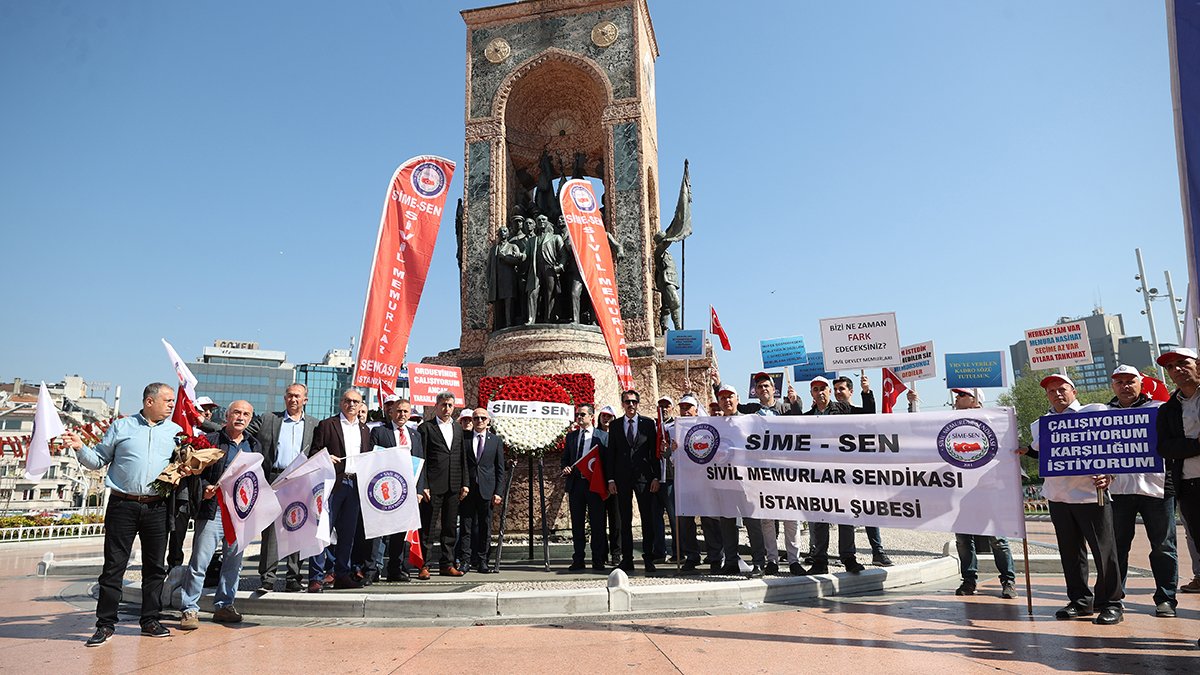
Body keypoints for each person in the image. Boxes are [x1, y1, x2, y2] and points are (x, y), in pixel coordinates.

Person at [62, 383, 181, 646]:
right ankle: (105, 625)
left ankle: (150, 620)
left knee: (154, 569)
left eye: (172, 401)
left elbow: (181, 467)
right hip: (122, 506)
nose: (172, 405)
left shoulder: (176, 432)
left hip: (157, 508)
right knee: (113, 568)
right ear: (150, 402)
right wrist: (80, 447)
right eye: (167, 400)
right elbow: (98, 460)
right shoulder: (121, 427)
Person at [1023, 374, 1123, 624]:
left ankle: (1111, 603)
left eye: (1062, 389)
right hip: (1058, 497)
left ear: (1074, 392)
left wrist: (1109, 473)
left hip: (1092, 495)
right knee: (1070, 553)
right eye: (1051, 391)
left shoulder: (1095, 414)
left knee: (1104, 553)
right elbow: (1038, 453)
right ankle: (1079, 601)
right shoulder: (1040, 424)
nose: (1057, 394)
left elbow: (1115, 447)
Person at [178, 400, 257, 629]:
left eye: (245, 414)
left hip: (239, 515)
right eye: (236, 413)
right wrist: (204, 489)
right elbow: (194, 473)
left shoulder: (254, 445)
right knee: (199, 561)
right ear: (227, 415)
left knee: (233, 563)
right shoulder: (210, 441)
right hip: (213, 511)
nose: (240, 417)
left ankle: (224, 605)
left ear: (250, 419)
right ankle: (189, 609)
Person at [1104, 364, 1175, 616]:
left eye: (1130, 381)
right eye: (1119, 382)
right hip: (1119, 490)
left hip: (1156, 488)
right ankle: (1114, 597)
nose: (1125, 386)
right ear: (1113, 386)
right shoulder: (1103, 414)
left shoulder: (1158, 409)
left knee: (1163, 545)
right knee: (1117, 546)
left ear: (1140, 383)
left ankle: (1165, 598)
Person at [949, 388, 1017, 599]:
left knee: (997, 538)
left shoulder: (993, 420)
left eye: (961, 395)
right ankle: (969, 580)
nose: (956, 398)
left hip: (989, 489)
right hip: (960, 488)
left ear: (975, 399)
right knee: (962, 539)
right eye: (957, 395)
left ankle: (1008, 580)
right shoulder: (947, 422)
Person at [254, 383, 317, 593]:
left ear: (305, 400)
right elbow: (239, 428)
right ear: (285, 398)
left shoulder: (315, 425)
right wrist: (203, 422)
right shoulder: (269, 419)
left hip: (300, 481)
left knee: (296, 528)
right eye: (290, 396)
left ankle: (293, 577)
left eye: (298, 397)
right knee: (271, 531)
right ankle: (268, 578)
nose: (293, 400)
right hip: (273, 478)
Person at [308, 388, 371, 591]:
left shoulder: (364, 430)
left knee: (348, 533)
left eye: (356, 401)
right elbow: (314, 452)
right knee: (323, 531)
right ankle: (316, 577)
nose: (351, 404)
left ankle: (342, 573)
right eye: (348, 400)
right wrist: (326, 457)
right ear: (341, 402)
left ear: (361, 405)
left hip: (355, 485)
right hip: (333, 483)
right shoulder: (327, 425)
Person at [742, 373, 804, 576]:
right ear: (755, 391)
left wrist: (796, 401)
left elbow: (800, 419)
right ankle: (772, 561)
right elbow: (730, 408)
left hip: (787, 471)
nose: (763, 389)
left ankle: (794, 560)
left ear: (773, 388)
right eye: (759, 386)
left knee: (791, 517)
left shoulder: (785, 408)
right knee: (767, 519)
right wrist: (716, 385)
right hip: (763, 472)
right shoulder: (752, 410)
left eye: (766, 385)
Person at [804, 376, 864, 575]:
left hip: (842, 473)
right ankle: (820, 559)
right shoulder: (806, 417)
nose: (820, 392)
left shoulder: (844, 410)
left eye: (823, 388)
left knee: (845, 516)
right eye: (815, 389)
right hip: (817, 475)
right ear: (811, 393)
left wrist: (866, 392)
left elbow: (869, 415)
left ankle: (848, 557)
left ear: (829, 391)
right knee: (819, 518)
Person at [832, 374, 893, 568]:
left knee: (869, 509)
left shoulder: (859, 412)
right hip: (841, 473)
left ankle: (877, 551)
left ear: (851, 391)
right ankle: (848, 555)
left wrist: (866, 391)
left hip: (860, 471)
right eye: (836, 390)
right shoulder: (831, 415)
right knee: (846, 513)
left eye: (842, 389)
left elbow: (869, 412)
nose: (838, 393)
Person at [1155, 349, 1200, 608]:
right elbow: (1165, 447)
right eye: (1171, 367)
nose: (1177, 370)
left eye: (1183, 363)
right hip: (1190, 486)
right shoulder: (1168, 409)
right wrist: (1195, 445)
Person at [368, 396, 428, 581]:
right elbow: (373, 459)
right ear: (391, 412)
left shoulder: (415, 435)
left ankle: (395, 569)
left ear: (410, 414)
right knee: (378, 531)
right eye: (399, 411)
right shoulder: (379, 431)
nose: (402, 414)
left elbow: (420, 463)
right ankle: (371, 570)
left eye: (405, 411)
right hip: (384, 489)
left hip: (406, 491)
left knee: (400, 532)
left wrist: (419, 490)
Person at [602, 389, 661, 574]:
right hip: (622, 479)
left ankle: (648, 558)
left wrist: (656, 477)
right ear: (623, 404)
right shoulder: (616, 425)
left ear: (638, 403)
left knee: (647, 519)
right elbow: (611, 453)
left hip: (644, 478)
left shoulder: (648, 424)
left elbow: (654, 453)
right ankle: (627, 559)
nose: (631, 405)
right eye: (627, 402)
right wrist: (611, 479)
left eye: (634, 402)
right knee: (624, 520)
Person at [713, 383, 767, 577]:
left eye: (730, 397)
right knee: (727, 522)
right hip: (725, 480)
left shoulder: (749, 421)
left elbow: (761, 446)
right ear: (718, 402)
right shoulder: (715, 425)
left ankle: (759, 562)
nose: (727, 400)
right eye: (722, 398)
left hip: (747, 481)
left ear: (737, 399)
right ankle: (731, 560)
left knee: (752, 522)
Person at [418, 391, 468, 576]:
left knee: (449, 527)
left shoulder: (458, 428)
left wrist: (465, 483)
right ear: (436, 406)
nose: (447, 409)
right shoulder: (426, 428)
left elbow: (461, 457)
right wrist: (423, 485)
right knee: (429, 527)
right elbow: (422, 457)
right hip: (433, 485)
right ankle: (424, 564)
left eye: (450, 405)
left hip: (454, 484)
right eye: (443, 405)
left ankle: (447, 564)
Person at [458, 407, 506, 573]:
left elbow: (500, 468)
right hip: (467, 488)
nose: (479, 421)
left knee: (485, 526)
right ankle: (465, 560)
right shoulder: (464, 439)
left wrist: (499, 492)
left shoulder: (495, 441)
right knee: (466, 526)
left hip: (487, 489)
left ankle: (483, 560)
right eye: (476, 418)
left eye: (482, 418)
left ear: (488, 421)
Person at [562, 404, 609, 571]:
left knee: (598, 523)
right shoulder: (571, 437)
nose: (579, 417)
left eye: (582, 414)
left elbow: (607, 462)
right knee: (577, 524)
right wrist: (566, 467)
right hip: (576, 485)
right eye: (577, 414)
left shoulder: (602, 437)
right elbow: (565, 459)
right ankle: (578, 558)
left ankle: (598, 559)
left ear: (591, 416)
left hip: (595, 484)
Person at [596, 404, 622, 565]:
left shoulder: (618, 434)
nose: (606, 419)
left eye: (609, 416)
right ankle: (601, 553)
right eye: (603, 416)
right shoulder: (594, 435)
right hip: (598, 482)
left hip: (615, 483)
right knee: (599, 521)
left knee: (616, 520)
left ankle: (616, 553)